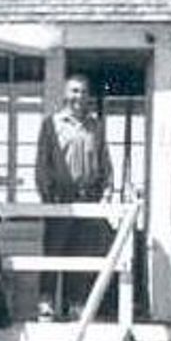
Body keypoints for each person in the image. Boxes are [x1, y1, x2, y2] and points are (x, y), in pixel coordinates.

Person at [34, 73, 114, 318]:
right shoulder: (51, 124)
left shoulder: (95, 127)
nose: (79, 97)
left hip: (88, 198)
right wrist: (49, 197)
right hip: (60, 199)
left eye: (83, 92)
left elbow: (105, 163)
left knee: (82, 253)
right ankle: (46, 303)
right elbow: (42, 165)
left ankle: (74, 304)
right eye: (74, 91)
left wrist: (106, 190)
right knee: (54, 251)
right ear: (65, 94)